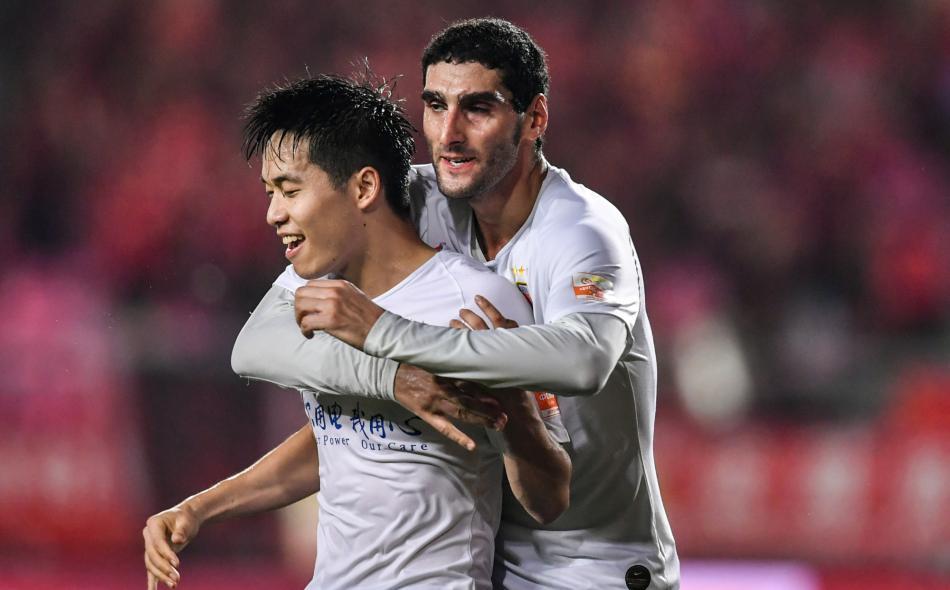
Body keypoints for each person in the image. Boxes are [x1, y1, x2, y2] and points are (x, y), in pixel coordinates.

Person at [237, 18, 680, 590]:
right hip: (487, 554)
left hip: (594, 563)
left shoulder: (582, 231)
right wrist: (390, 377)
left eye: (477, 108)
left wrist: (386, 334)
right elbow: (261, 342)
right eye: (435, 105)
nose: (448, 134)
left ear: (535, 119)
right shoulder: (416, 200)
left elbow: (585, 359)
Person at [142, 73, 571, 590]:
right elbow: (340, 434)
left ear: (364, 188)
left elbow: (550, 497)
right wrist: (198, 509)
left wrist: (515, 409)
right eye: (270, 193)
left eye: (290, 191)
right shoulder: (317, 286)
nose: (273, 213)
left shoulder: (478, 301)